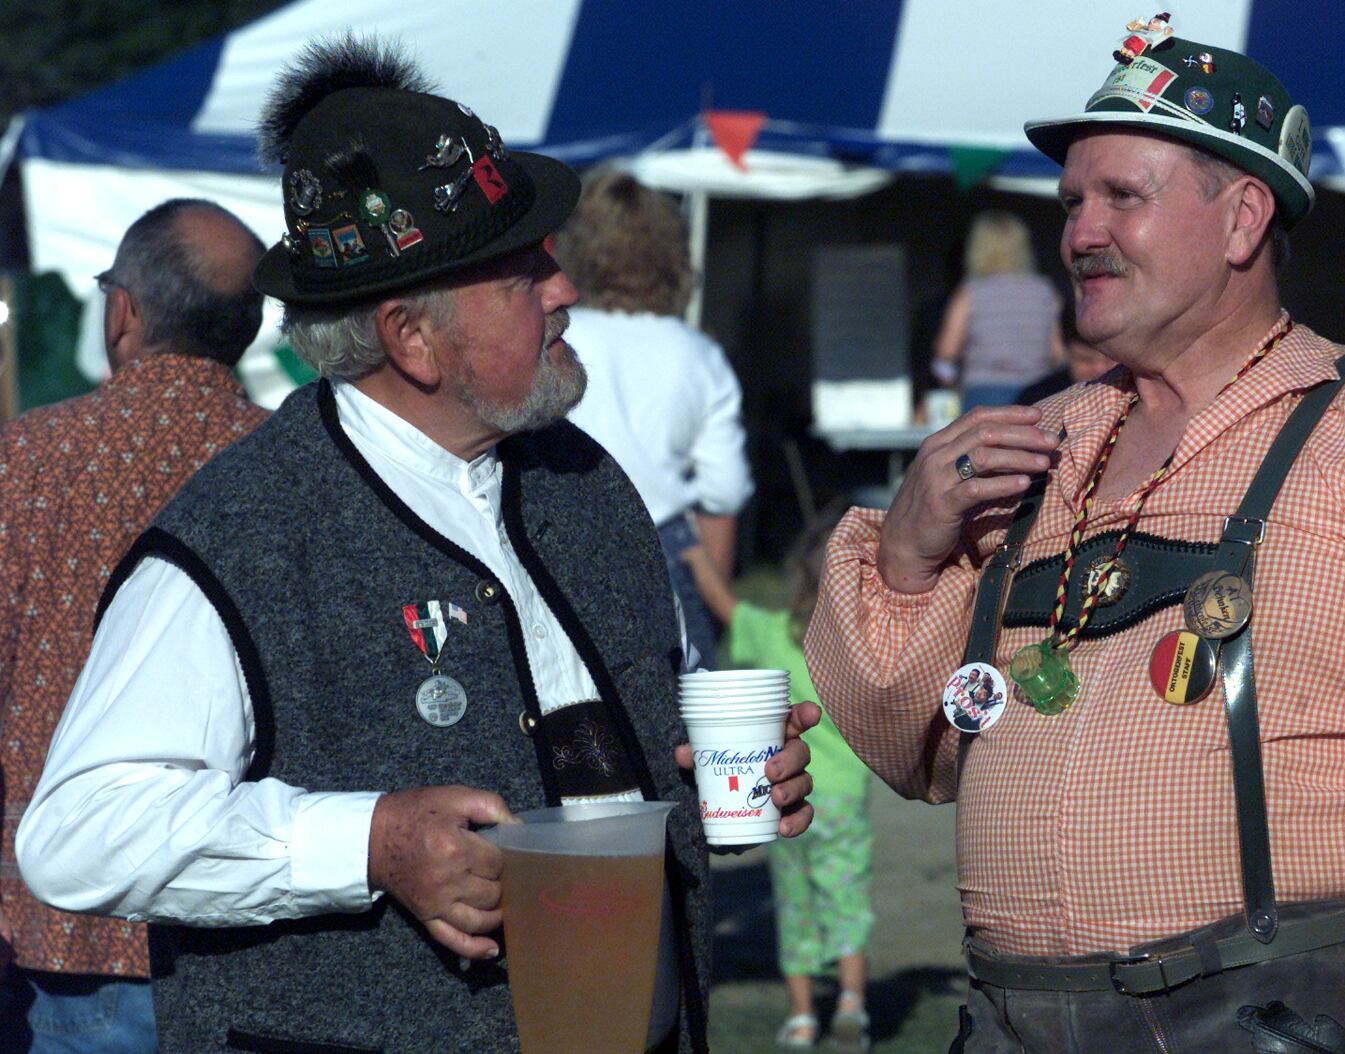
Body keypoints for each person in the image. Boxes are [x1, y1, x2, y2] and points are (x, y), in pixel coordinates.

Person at [806, 20, 1345, 1054]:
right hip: (1010, 1020)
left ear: (1241, 220)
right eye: (1071, 203)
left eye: (1120, 197)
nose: (1079, 231)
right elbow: (916, 747)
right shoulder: (1035, 443)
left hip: (1273, 1014)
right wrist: (907, 554)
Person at [16, 39, 817, 1054]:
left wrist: (715, 784)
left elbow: (607, 775)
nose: (563, 288)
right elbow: (80, 832)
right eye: (522, 273)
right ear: (411, 336)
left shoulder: (587, 484)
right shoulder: (246, 531)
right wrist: (369, 840)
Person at [0, 198, 268, 1053]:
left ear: (124, 309)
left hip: (62, 930)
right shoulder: (294, 469)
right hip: (252, 919)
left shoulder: (29, 458)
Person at [682, 516, 874, 1053]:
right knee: (847, 900)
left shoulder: (769, 635)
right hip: (843, 801)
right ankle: (854, 1005)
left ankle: (802, 1018)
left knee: (795, 905)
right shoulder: (853, 649)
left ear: (797, 576)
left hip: (784, 796)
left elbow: (723, 605)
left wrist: (694, 554)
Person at [560, 170, 753, 667]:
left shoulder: (558, 342)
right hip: (666, 549)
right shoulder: (698, 353)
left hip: (563, 535)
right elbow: (725, 491)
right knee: (683, 717)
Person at [932, 210, 1068, 411]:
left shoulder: (971, 292)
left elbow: (946, 353)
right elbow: (1058, 352)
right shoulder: (1044, 291)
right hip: (1037, 392)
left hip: (984, 393)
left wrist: (952, 386)